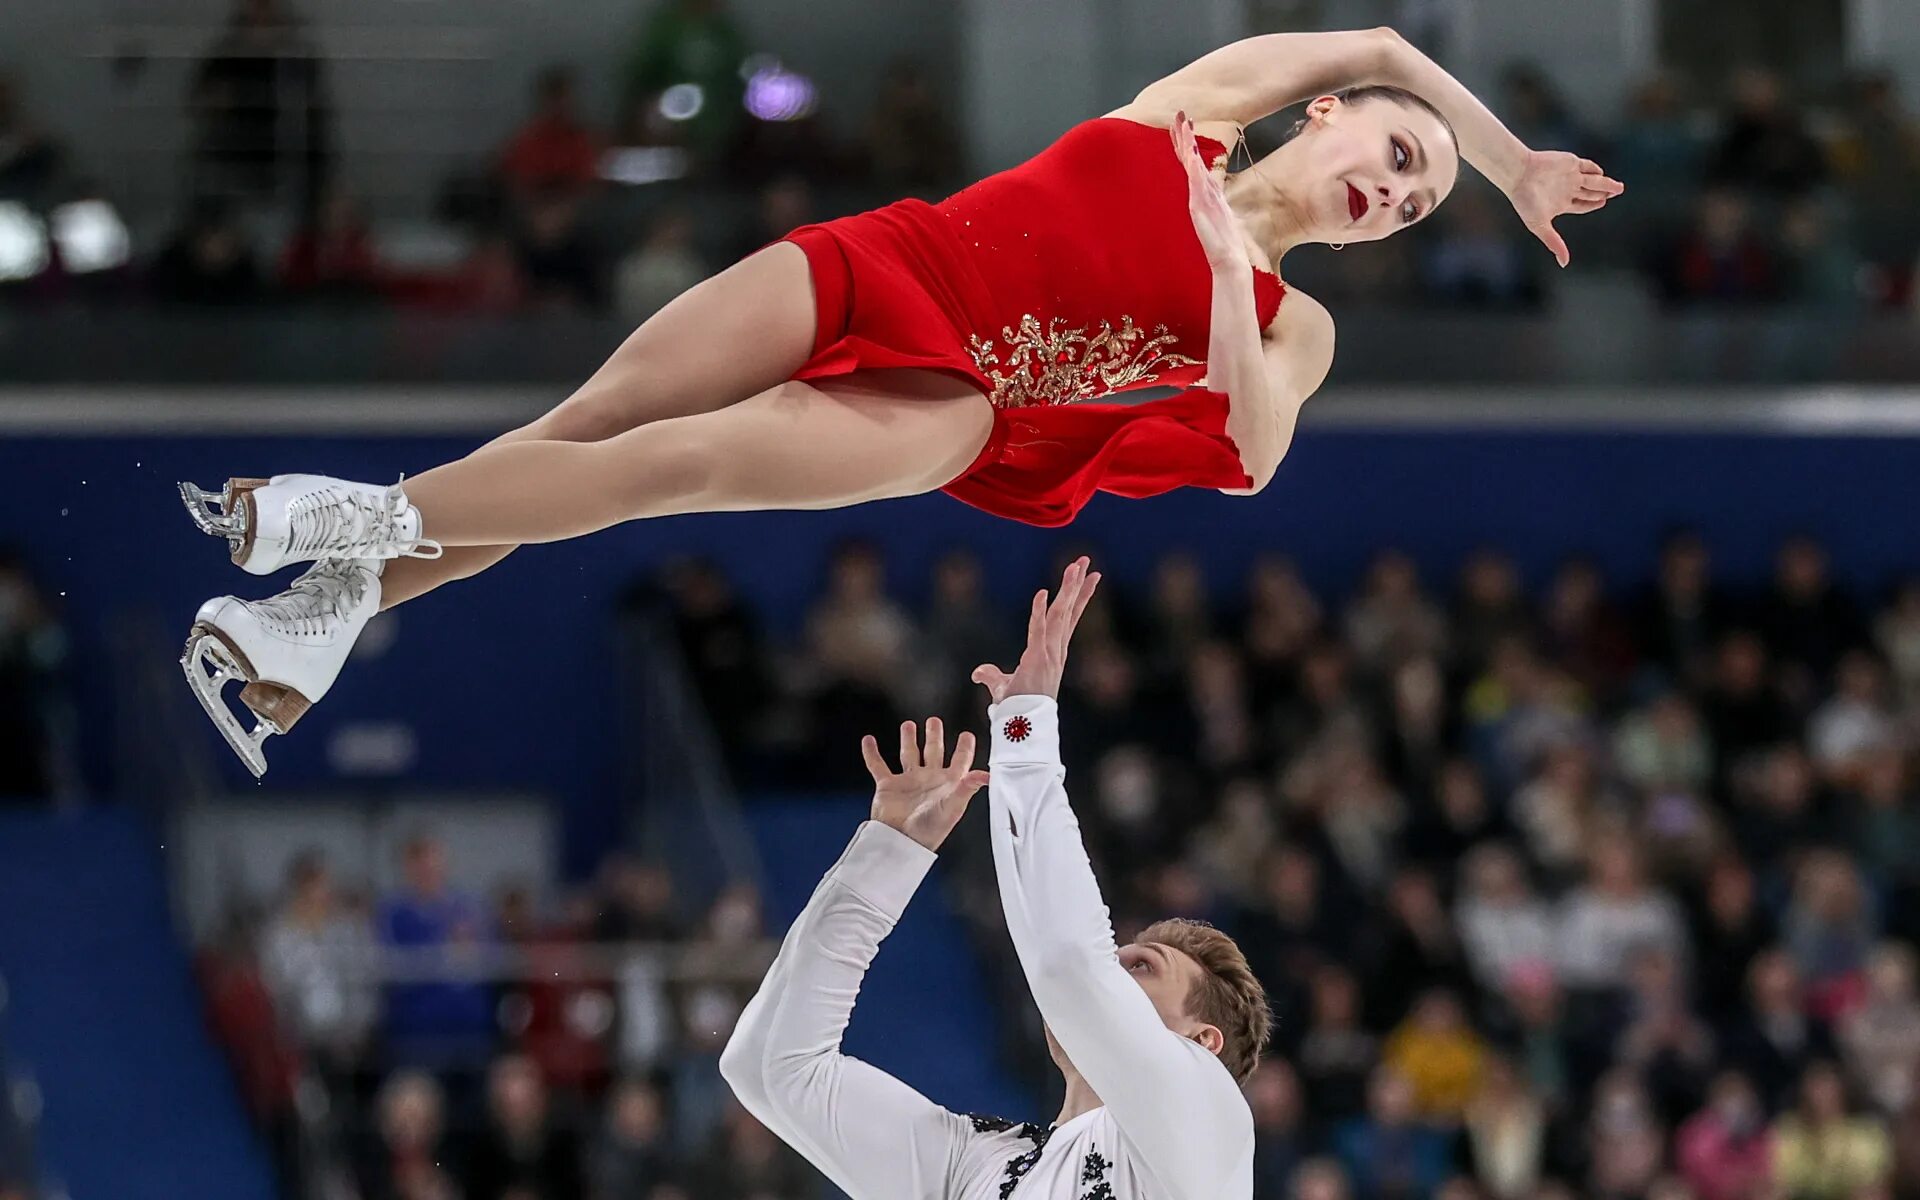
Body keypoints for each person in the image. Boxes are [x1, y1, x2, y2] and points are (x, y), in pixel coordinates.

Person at [175, 28, 1620, 774]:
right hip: (895, 260)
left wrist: (1217, 267)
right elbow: (1381, 37)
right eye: (1396, 155)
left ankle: (343, 528)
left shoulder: (1290, 321)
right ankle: (305, 616)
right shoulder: (1202, 105)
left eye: (1418, 200)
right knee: (589, 424)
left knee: (661, 471)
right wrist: (1506, 159)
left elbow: (1249, 454)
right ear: (1328, 119)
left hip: (957, 405)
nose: (1396, 189)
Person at [720, 558, 1272, 1198]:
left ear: (1201, 1043)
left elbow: (1070, 964)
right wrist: (889, 857)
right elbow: (771, 1069)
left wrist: (1026, 731)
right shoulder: (974, 1162)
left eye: (1141, 967)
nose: (1110, 974)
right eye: (1119, 962)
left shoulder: (1209, 1127)